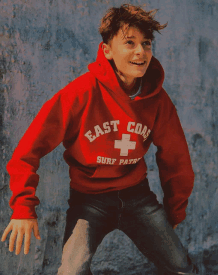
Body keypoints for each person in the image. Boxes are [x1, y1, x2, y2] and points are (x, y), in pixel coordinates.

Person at [1, 3, 199, 275]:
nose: (140, 51)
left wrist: (175, 210)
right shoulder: (79, 94)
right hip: (89, 199)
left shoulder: (158, 101)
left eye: (147, 43)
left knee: (181, 267)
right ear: (107, 50)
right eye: (129, 42)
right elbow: (27, 150)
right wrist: (23, 207)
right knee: (72, 270)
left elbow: (177, 160)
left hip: (137, 196)